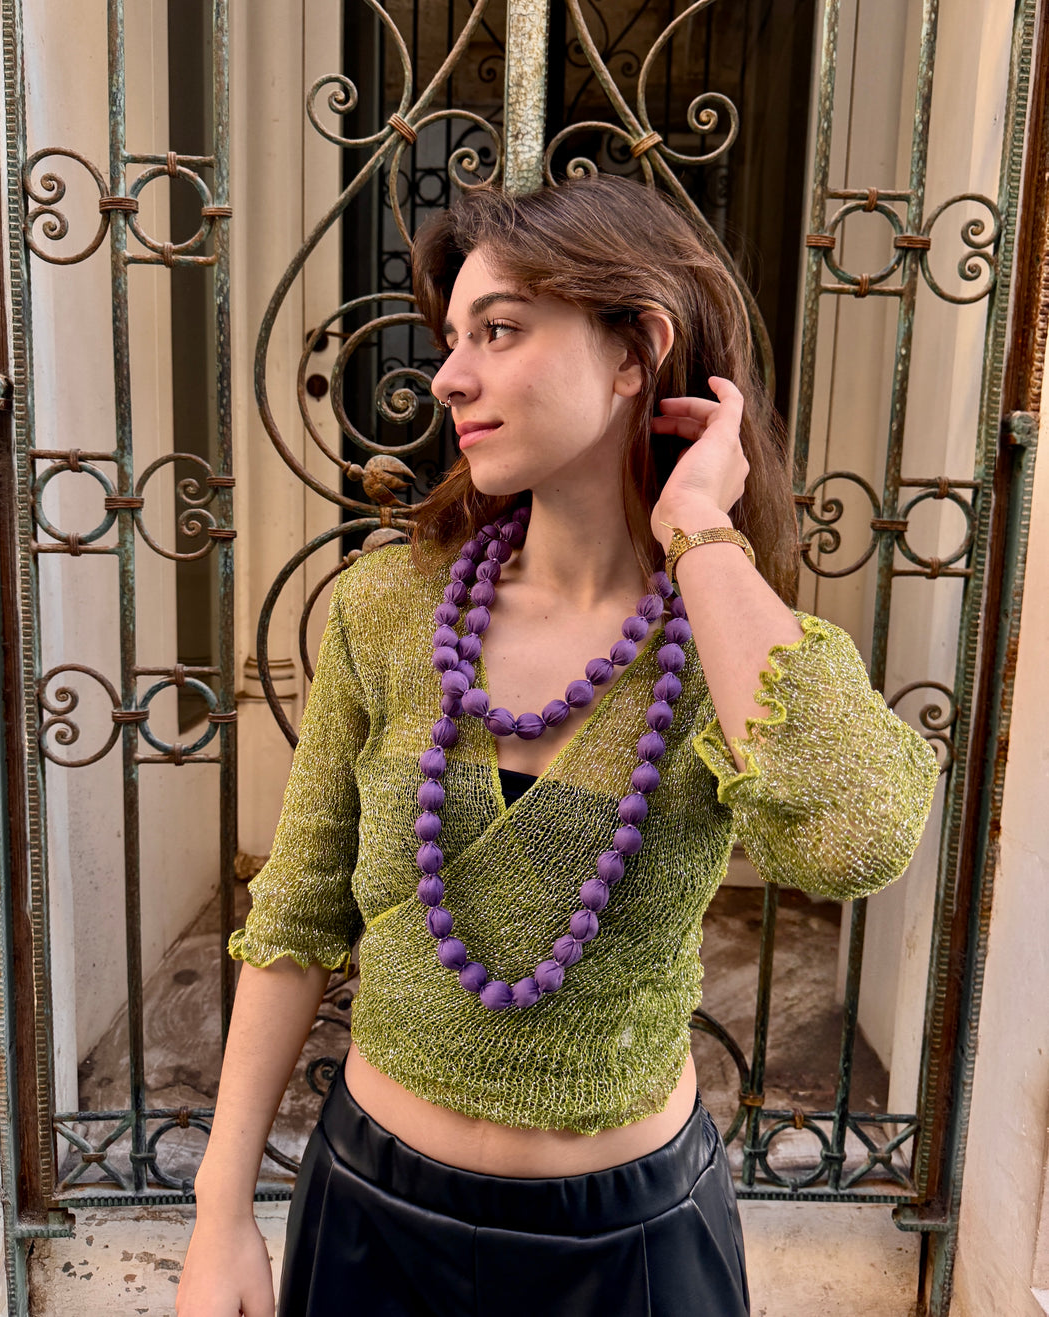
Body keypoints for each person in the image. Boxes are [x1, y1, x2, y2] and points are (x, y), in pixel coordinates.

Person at [176, 175, 941, 1317]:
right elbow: (293, 915)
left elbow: (855, 839)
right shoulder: (387, 609)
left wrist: (700, 532)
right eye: (452, 339)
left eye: (499, 330)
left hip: (630, 1251)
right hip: (369, 1223)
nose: (450, 376)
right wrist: (219, 1209)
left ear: (636, 351)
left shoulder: (730, 647)